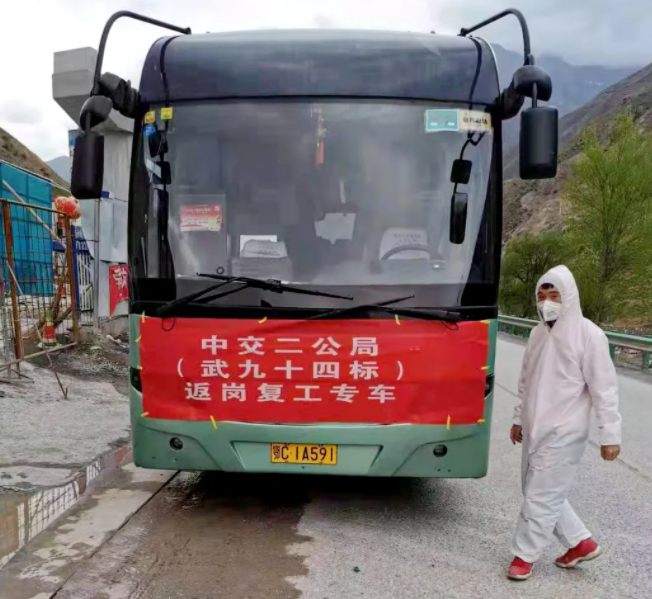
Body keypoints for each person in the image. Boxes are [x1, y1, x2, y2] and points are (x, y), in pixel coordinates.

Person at [507, 265, 622, 581]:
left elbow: (604, 389)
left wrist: (610, 435)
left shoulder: (589, 335)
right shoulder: (537, 333)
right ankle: (580, 543)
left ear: (568, 296)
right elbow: (525, 381)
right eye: (542, 295)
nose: (546, 302)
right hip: (535, 428)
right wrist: (518, 419)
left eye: (554, 295)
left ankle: (524, 556)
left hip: (565, 432)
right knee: (533, 488)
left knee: (541, 495)